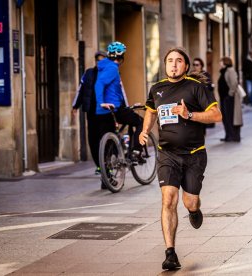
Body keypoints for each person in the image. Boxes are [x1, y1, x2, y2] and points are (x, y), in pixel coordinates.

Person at [138, 47, 222, 270]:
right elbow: (151, 111)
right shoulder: (157, 89)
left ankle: (194, 211)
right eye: (169, 61)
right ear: (165, 65)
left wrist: (189, 115)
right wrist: (144, 130)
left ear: (185, 66)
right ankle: (170, 253)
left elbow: (216, 115)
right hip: (168, 155)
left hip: (194, 155)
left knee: (189, 201)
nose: (173, 65)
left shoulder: (196, 88)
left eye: (178, 61)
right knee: (168, 200)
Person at [94, 41, 144, 189]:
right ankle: (135, 151)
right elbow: (99, 84)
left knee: (108, 141)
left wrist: (101, 104)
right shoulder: (112, 68)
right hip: (114, 108)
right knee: (141, 121)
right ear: (122, 56)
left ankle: (107, 178)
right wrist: (102, 101)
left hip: (102, 111)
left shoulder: (102, 66)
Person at [72, 51, 107, 175]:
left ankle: (107, 164)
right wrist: (75, 106)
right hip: (91, 112)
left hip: (105, 112)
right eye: (98, 60)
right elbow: (80, 90)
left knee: (105, 139)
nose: (99, 62)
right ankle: (99, 165)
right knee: (93, 140)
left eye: (102, 60)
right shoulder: (88, 73)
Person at [218, 56, 243, 142]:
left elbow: (234, 84)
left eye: (220, 62)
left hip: (229, 99)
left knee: (230, 117)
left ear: (225, 63)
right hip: (224, 98)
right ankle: (228, 135)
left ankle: (233, 136)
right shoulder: (223, 71)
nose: (219, 64)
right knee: (225, 118)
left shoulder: (230, 71)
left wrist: (230, 95)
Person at [191, 57, 215, 129]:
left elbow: (209, 86)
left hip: (203, 99)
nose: (195, 66)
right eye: (194, 65)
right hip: (194, 100)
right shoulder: (191, 75)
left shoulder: (205, 74)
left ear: (201, 65)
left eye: (197, 65)